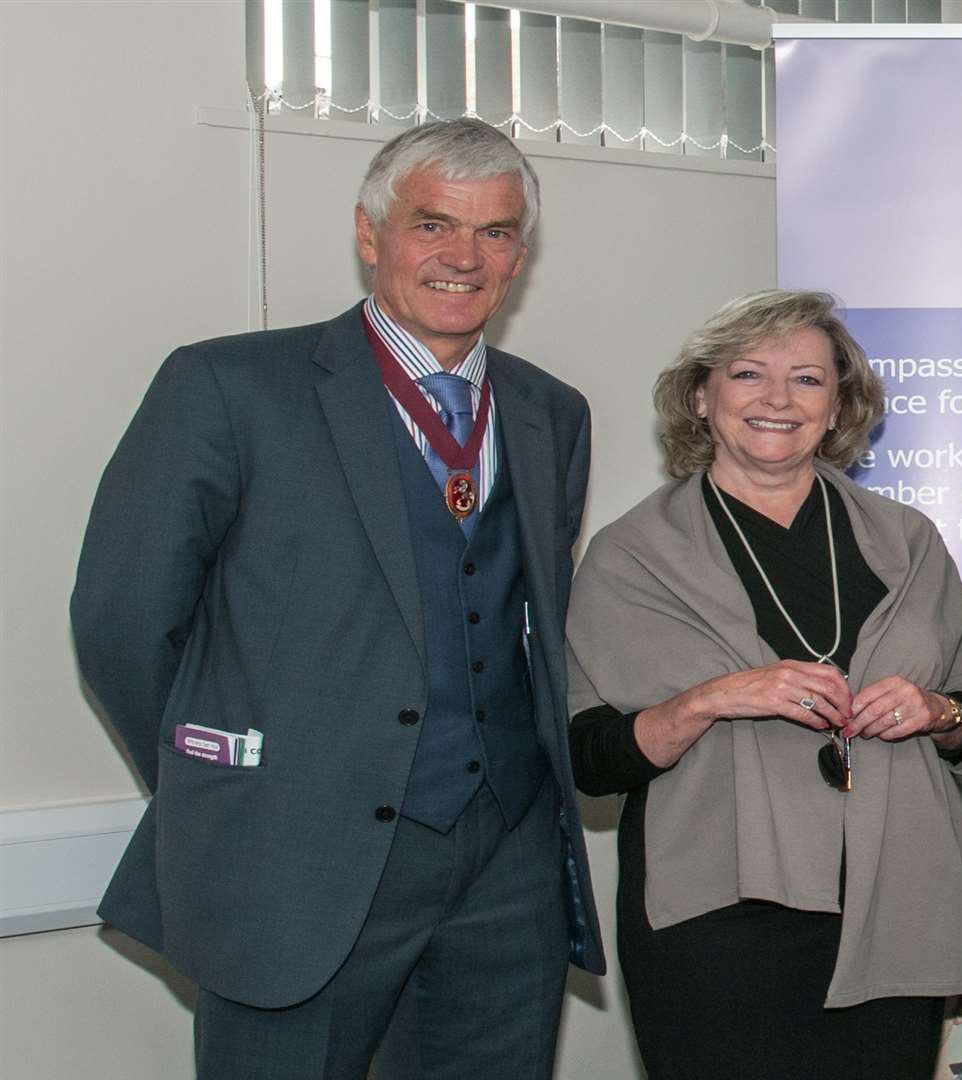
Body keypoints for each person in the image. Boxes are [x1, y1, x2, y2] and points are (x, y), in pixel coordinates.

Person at [70, 118, 602, 1077]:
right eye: (433, 223)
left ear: (520, 253)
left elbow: (529, 615)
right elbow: (122, 616)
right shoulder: (230, 387)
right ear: (370, 233)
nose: (463, 256)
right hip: (298, 855)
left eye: (495, 232)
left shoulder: (549, 411)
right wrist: (236, 781)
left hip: (507, 858)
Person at [565, 289, 962, 1080]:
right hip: (717, 918)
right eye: (747, 374)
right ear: (701, 396)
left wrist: (937, 712)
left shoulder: (909, 542)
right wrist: (710, 699)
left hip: (895, 902)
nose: (777, 399)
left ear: (839, 407)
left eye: (807, 379)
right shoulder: (630, 557)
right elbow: (590, 758)